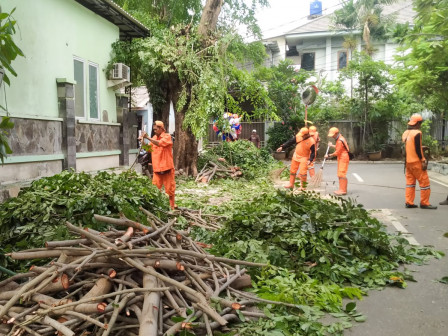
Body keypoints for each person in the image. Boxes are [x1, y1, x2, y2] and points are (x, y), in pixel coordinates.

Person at [402, 114, 437, 209]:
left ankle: (409, 202)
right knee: (425, 183)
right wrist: (423, 160)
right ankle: (424, 203)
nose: (420, 125)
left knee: (410, 183)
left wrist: (422, 147)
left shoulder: (406, 133)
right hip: (417, 162)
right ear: (418, 123)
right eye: (420, 123)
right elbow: (417, 149)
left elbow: (410, 147)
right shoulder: (417, 133)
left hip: (408, 163)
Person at [141, 121, 176, 210]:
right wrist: (142, 142)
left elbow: (160, 143)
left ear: (161, 128)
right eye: (154, 129)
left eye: (156, 129)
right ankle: (157, 207)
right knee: (155, 190)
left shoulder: (167, 137)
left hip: (167, 169)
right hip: (157, 170)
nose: (155, 131)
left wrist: (147, 137)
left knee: (170, 190)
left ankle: (172, 207)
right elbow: (148, 149)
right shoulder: (154, 138)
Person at [325, 127, 349, 196]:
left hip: (343, 158)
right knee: (339, 174)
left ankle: (343, 190)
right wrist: (332, 145)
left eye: (333, 135)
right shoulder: (340, 138)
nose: (332, 136)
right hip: (341, 157)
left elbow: (337, 152)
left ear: (336, 133)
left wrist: (329, 155)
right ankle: (341, 189)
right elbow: (339, 147)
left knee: (341, 174)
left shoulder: (339, 140)